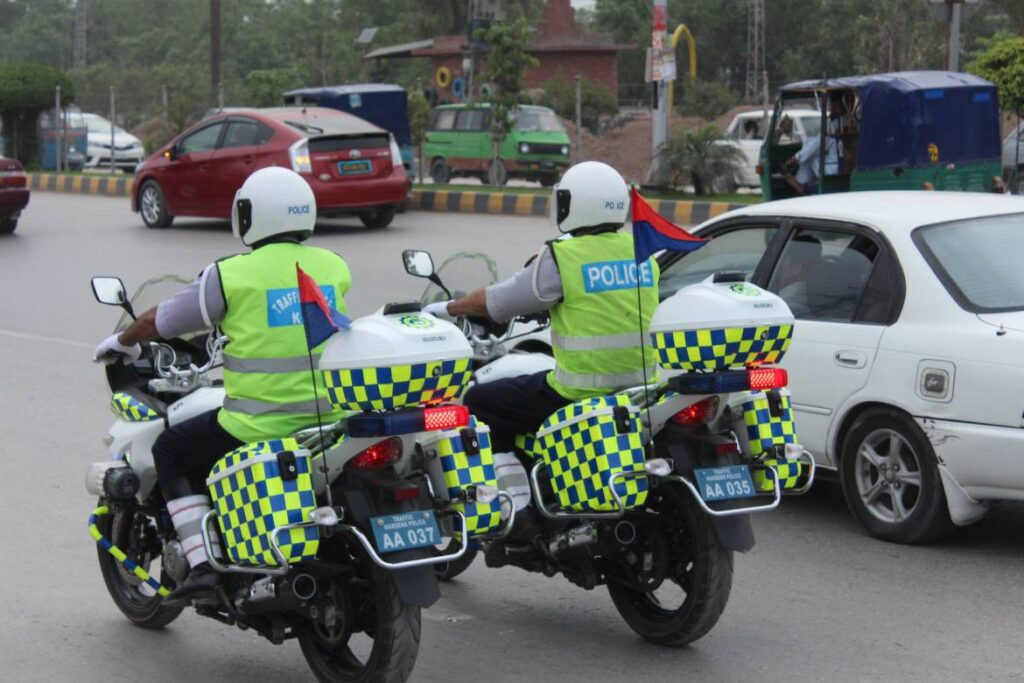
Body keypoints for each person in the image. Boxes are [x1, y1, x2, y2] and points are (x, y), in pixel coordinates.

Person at [92, 167, 350, 600]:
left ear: (251, 216)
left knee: (171, 450)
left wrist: (122, 341)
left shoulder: (230, 274)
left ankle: (201, 566)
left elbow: (163, 320)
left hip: (255, 426)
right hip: (328, 420)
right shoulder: (334, 265)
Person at [422, 161, 659, 529]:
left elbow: (498, 301)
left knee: (480, 402)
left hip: (579, 391)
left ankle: (518, 508)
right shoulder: (643, 250)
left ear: (571, 204)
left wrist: (448, 307)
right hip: (639, 389)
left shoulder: (564, 257)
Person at [772, 234, 822, 318]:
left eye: (780, 262)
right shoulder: (814, 297)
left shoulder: (786, 307)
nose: (776, 268)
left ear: (796, 268)